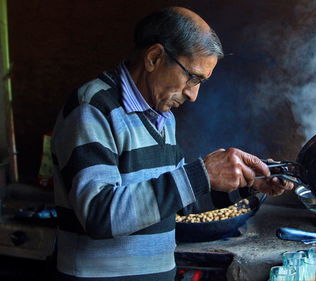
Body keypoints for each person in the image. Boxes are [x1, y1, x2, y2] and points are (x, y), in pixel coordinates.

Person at [51, 6, 293, 281]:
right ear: (154, 57)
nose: (193, 95)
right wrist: (201, 173)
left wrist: (249, 182)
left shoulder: (163, 117)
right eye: (192, 77)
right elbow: (99, 214)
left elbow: (177, 202)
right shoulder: (93, 108)